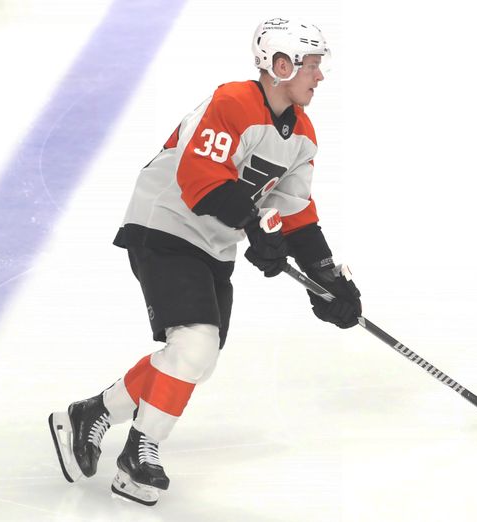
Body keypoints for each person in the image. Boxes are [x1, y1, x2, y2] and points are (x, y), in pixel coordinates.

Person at [48, 17, 361, 507]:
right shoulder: (233, 101)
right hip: (166, 224)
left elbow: (296, 215)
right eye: (312, 66)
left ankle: (91, 413)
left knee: (196, 359)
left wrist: (328, 281)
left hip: (213, 245)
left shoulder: (302, 135)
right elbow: (199, 178)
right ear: (281, 65)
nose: (320, 76)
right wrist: (256, 227)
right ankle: (138, 455)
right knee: (194, 346)